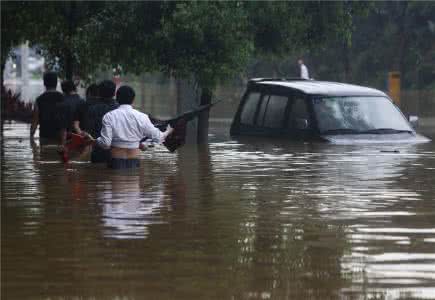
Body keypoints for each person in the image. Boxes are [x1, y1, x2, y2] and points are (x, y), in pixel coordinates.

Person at [95, 85, 173, 169]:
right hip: (134, 161)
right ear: (133, 99)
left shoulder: (109, 116)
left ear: (116, 99)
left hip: (116, 161)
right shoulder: (142, 117)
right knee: (132, 181)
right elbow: (159, 137)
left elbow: (105, 144)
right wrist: (168, 130)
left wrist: (96, 140)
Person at [85, 80, 119, 163]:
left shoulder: (92, 109)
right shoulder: (119, 109)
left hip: (98, 150)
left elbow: (89, 131)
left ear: (99, 93)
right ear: (114, 93)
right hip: (118, 151)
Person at [30, 72, 64, 143]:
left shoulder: (39, 100)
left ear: (44, 83)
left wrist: (31, 136)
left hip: (44, 137)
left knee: (44, 154)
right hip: (60, 137)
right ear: (56, 83)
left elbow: (35, 121)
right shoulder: (63, 98)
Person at [58, 80, 85, 146]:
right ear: (74, 88)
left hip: (69, 138)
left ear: (63, 89)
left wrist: (63, 145)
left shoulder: (63, 103)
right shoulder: (82, 101)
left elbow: (63, 126)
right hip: (82, 136)